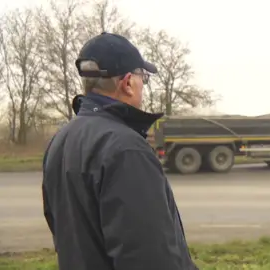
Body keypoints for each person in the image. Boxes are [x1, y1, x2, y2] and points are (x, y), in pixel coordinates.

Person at [42, 32, 198, 270]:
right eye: (142, 78)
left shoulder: (60, 141)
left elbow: (60, 229)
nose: (142, 86)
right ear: (127, 83)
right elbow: (150, 258)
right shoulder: (126, 149)